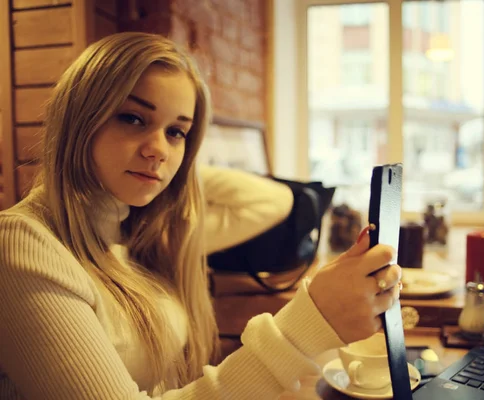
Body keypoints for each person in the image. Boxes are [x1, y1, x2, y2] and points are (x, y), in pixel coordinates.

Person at [0, 32, 402, 399]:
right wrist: (306, 324)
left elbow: (271, 200)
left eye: (177, 132)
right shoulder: (23, 245)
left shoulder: (140, 233)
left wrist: (177, 174)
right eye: (134, 118)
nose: (158, 148)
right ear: (78, 119)